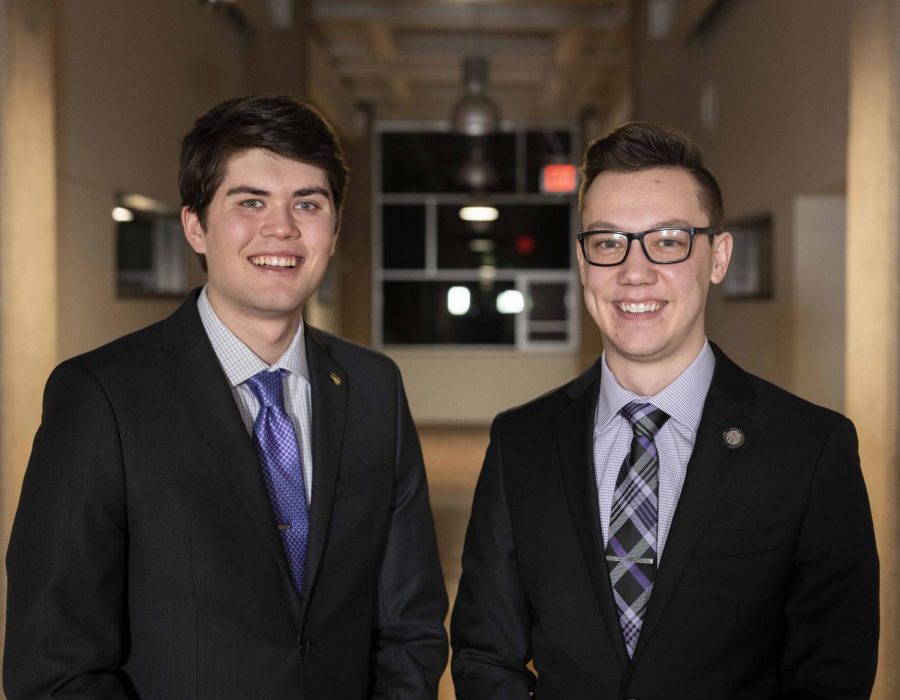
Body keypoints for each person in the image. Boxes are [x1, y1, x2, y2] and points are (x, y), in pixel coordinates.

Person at [5, 95, 448, 699]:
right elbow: (53, 662)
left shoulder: (374, 387)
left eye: (308, 203)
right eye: (250, 202)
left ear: (335, 227)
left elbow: (410, 619)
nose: (282, 228)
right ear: (195, 225)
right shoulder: (103, 397)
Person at [450, 121, 879, 699]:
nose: (634, 271)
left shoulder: (809, 447)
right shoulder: (519, 443)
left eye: (669, 240)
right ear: (583, 263)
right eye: (607, 242)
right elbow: (485, 654)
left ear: (717, 257)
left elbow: (831, 674)